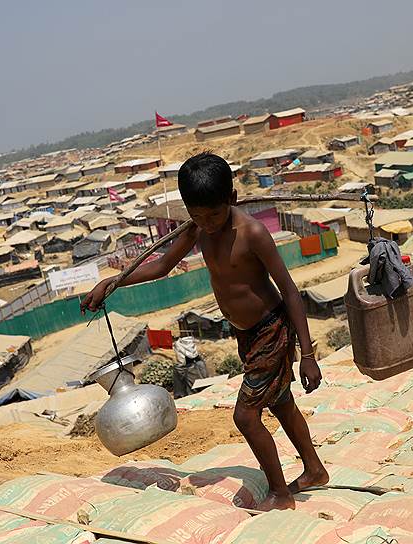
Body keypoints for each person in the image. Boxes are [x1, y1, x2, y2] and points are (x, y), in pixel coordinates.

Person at [81, 152, 328, 510]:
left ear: (232, 198)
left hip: (270, 330)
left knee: (245, 415)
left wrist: (308, 355)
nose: (207, 223)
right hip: (245, 333)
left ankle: (280, 494)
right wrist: (113, 282)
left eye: (213, 214)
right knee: (280, 402)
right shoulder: (198, 226)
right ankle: (314, 470)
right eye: (197, 215)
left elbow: (289, 290)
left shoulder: (253, 233)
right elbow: (164, 264)